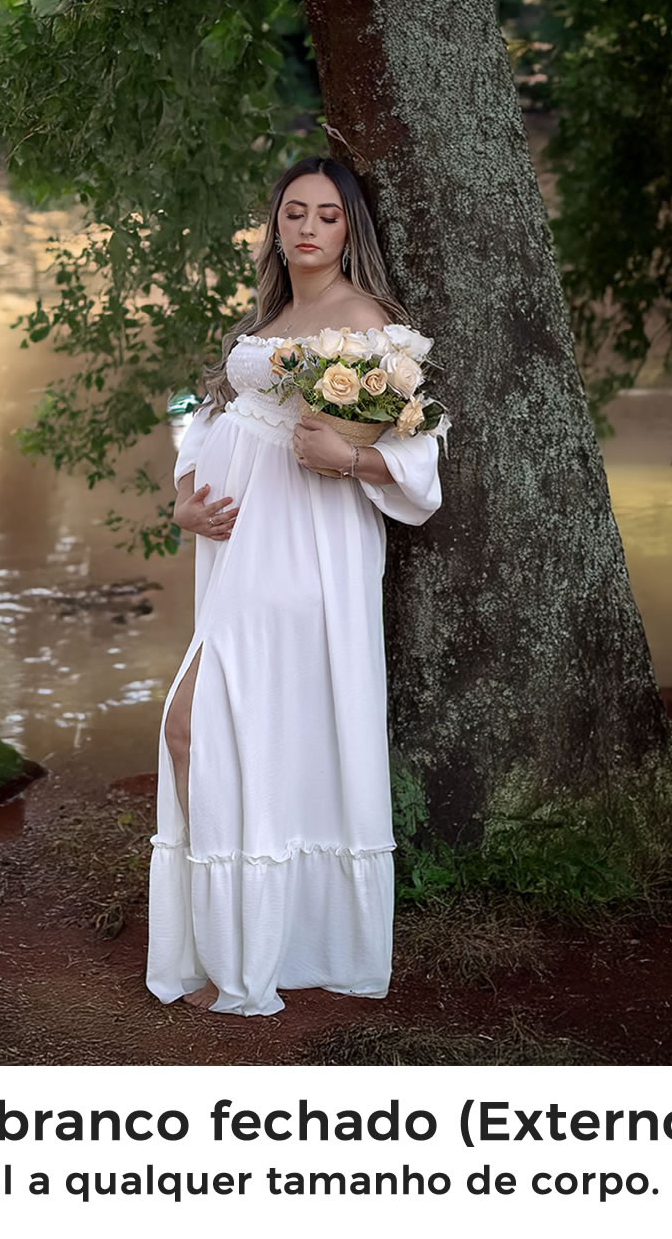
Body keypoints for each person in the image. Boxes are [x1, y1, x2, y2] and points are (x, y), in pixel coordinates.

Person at [145, 155, 447, 1017]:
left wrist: (350, 456)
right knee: (231, 731)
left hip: (305, 551)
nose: (307, 228)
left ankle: (255, 948)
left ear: (351, 227)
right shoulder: (271, 314)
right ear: (274, 225)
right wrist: (182, 504)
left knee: (197, 724)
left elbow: (422, 449)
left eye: (326, 215)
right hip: (238, 548)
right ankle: (243, 942)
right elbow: (210, 419)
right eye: (292, 213)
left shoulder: (369, 323)